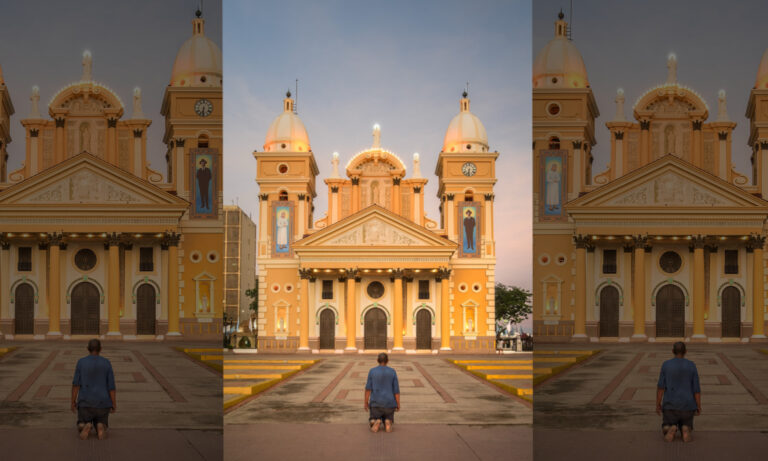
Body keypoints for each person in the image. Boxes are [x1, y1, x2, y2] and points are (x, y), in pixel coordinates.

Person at [71, 339, 116, 440]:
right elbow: (111, 387)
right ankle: (100, 426)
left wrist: (73, 401)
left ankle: (84, 425)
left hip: (85, 404)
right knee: (102, 422)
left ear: (88, 349)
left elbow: (76, 384)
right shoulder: (107, 363)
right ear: (100, 349)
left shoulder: (81, 362)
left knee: (81, 422)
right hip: (103, 404)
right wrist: (113, 403)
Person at [656, 341, 701, 442]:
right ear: (686, 351)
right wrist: (698, 405)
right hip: (688, 407)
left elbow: (660, 387)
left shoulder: (666, 365)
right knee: (687, 424)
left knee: (665, 426)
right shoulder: (692, 365)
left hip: (670, 407)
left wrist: (658, 404)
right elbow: (696, 389)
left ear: (672, 351)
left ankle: (670, 428)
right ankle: (685, 428)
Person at [364, 352, 400, 433]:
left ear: (377, 360)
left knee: (372, 418)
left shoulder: (372, 371)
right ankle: (388, 421)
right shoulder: (392, 371)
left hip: (376, 404)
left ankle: (374, 421)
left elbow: (368, 389)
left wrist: (366, 403)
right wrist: (398, 404)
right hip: (389, 404)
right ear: (387, 361)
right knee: (389, 417)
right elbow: (396, 391)